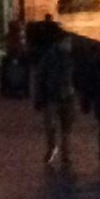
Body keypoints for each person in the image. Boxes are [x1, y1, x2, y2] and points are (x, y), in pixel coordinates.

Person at [33, 28, 78, 169]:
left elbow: (79, 76)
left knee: (66, 129)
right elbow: (40, 77)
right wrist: (39, 97)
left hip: (68, 97)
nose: (69, 45)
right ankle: (53, 147)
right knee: (52, 126)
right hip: (52, 97)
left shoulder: (72, 57)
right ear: (61, 42)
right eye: (67, 42)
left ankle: (66, 154)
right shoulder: (50, 57)